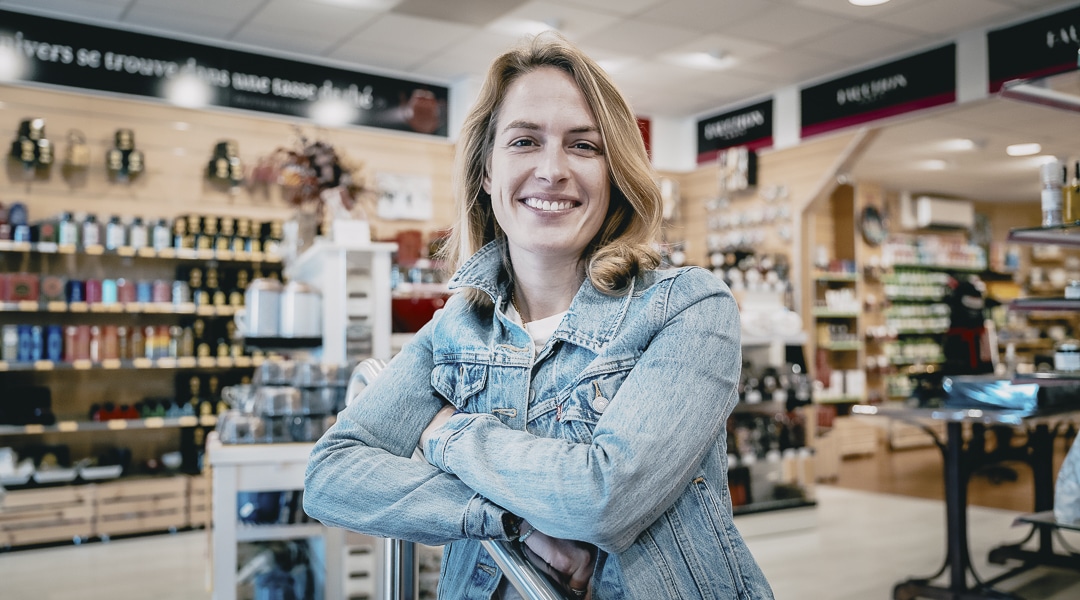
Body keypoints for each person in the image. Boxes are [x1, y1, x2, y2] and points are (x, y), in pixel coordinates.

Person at [304, 32, 774, 599]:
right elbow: (330, 477)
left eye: (583, 146)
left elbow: (604, 501)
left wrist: (444, 435)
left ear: (615, 171)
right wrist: (512, 523)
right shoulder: (455, 329)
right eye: (524, 141)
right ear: (486, 171)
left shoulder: (687, 308)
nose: (552, 170)